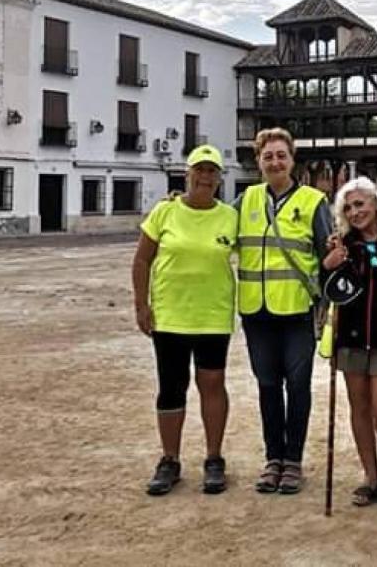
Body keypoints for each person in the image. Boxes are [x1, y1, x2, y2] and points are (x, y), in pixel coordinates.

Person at [132, 144, 237, 496]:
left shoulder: (230, 217)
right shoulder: (165, 212)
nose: (205, 177)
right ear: (188, 173)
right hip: (170, 317)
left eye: (212, 171)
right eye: (200, 170)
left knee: (212, 384)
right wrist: (141, 305)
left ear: (219, 178)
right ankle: (170, 460)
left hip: (213, 316)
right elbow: (142, 260)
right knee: (171, 386)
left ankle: (214, 458)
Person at [235, 127, 333, 495]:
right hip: (256, 312)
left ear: (292, 160)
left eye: (281, 155)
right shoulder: (244, 201)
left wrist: (326, 301)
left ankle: (293, 460)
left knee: (298, 386)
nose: (275, 162)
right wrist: (181, 202)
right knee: (267, 386)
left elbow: (328, 256)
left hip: (296, 312)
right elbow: (214, 225)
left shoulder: (313, 202)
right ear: (258, 161)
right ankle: (272, 458)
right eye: (268, 156)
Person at [319, 177, 377, 507]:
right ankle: (371, 476)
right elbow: (327, 289)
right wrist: (327, 267)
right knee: (360, 407)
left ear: (375, 202)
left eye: (360, 204)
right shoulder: (342, 244)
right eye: (348, 208)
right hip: (350, 338)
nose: (355, 212)